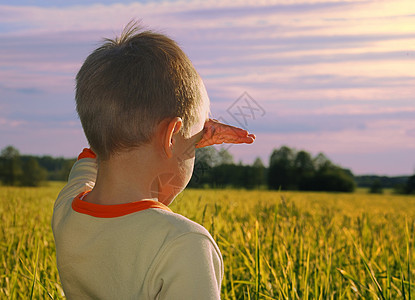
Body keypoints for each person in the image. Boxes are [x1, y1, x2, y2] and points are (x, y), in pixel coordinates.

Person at [52, 21, 255, 300]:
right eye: (195, 144)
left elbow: (92, 157)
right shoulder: (183, 243)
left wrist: (189, 133)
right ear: (170, 136)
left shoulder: (67, 208)